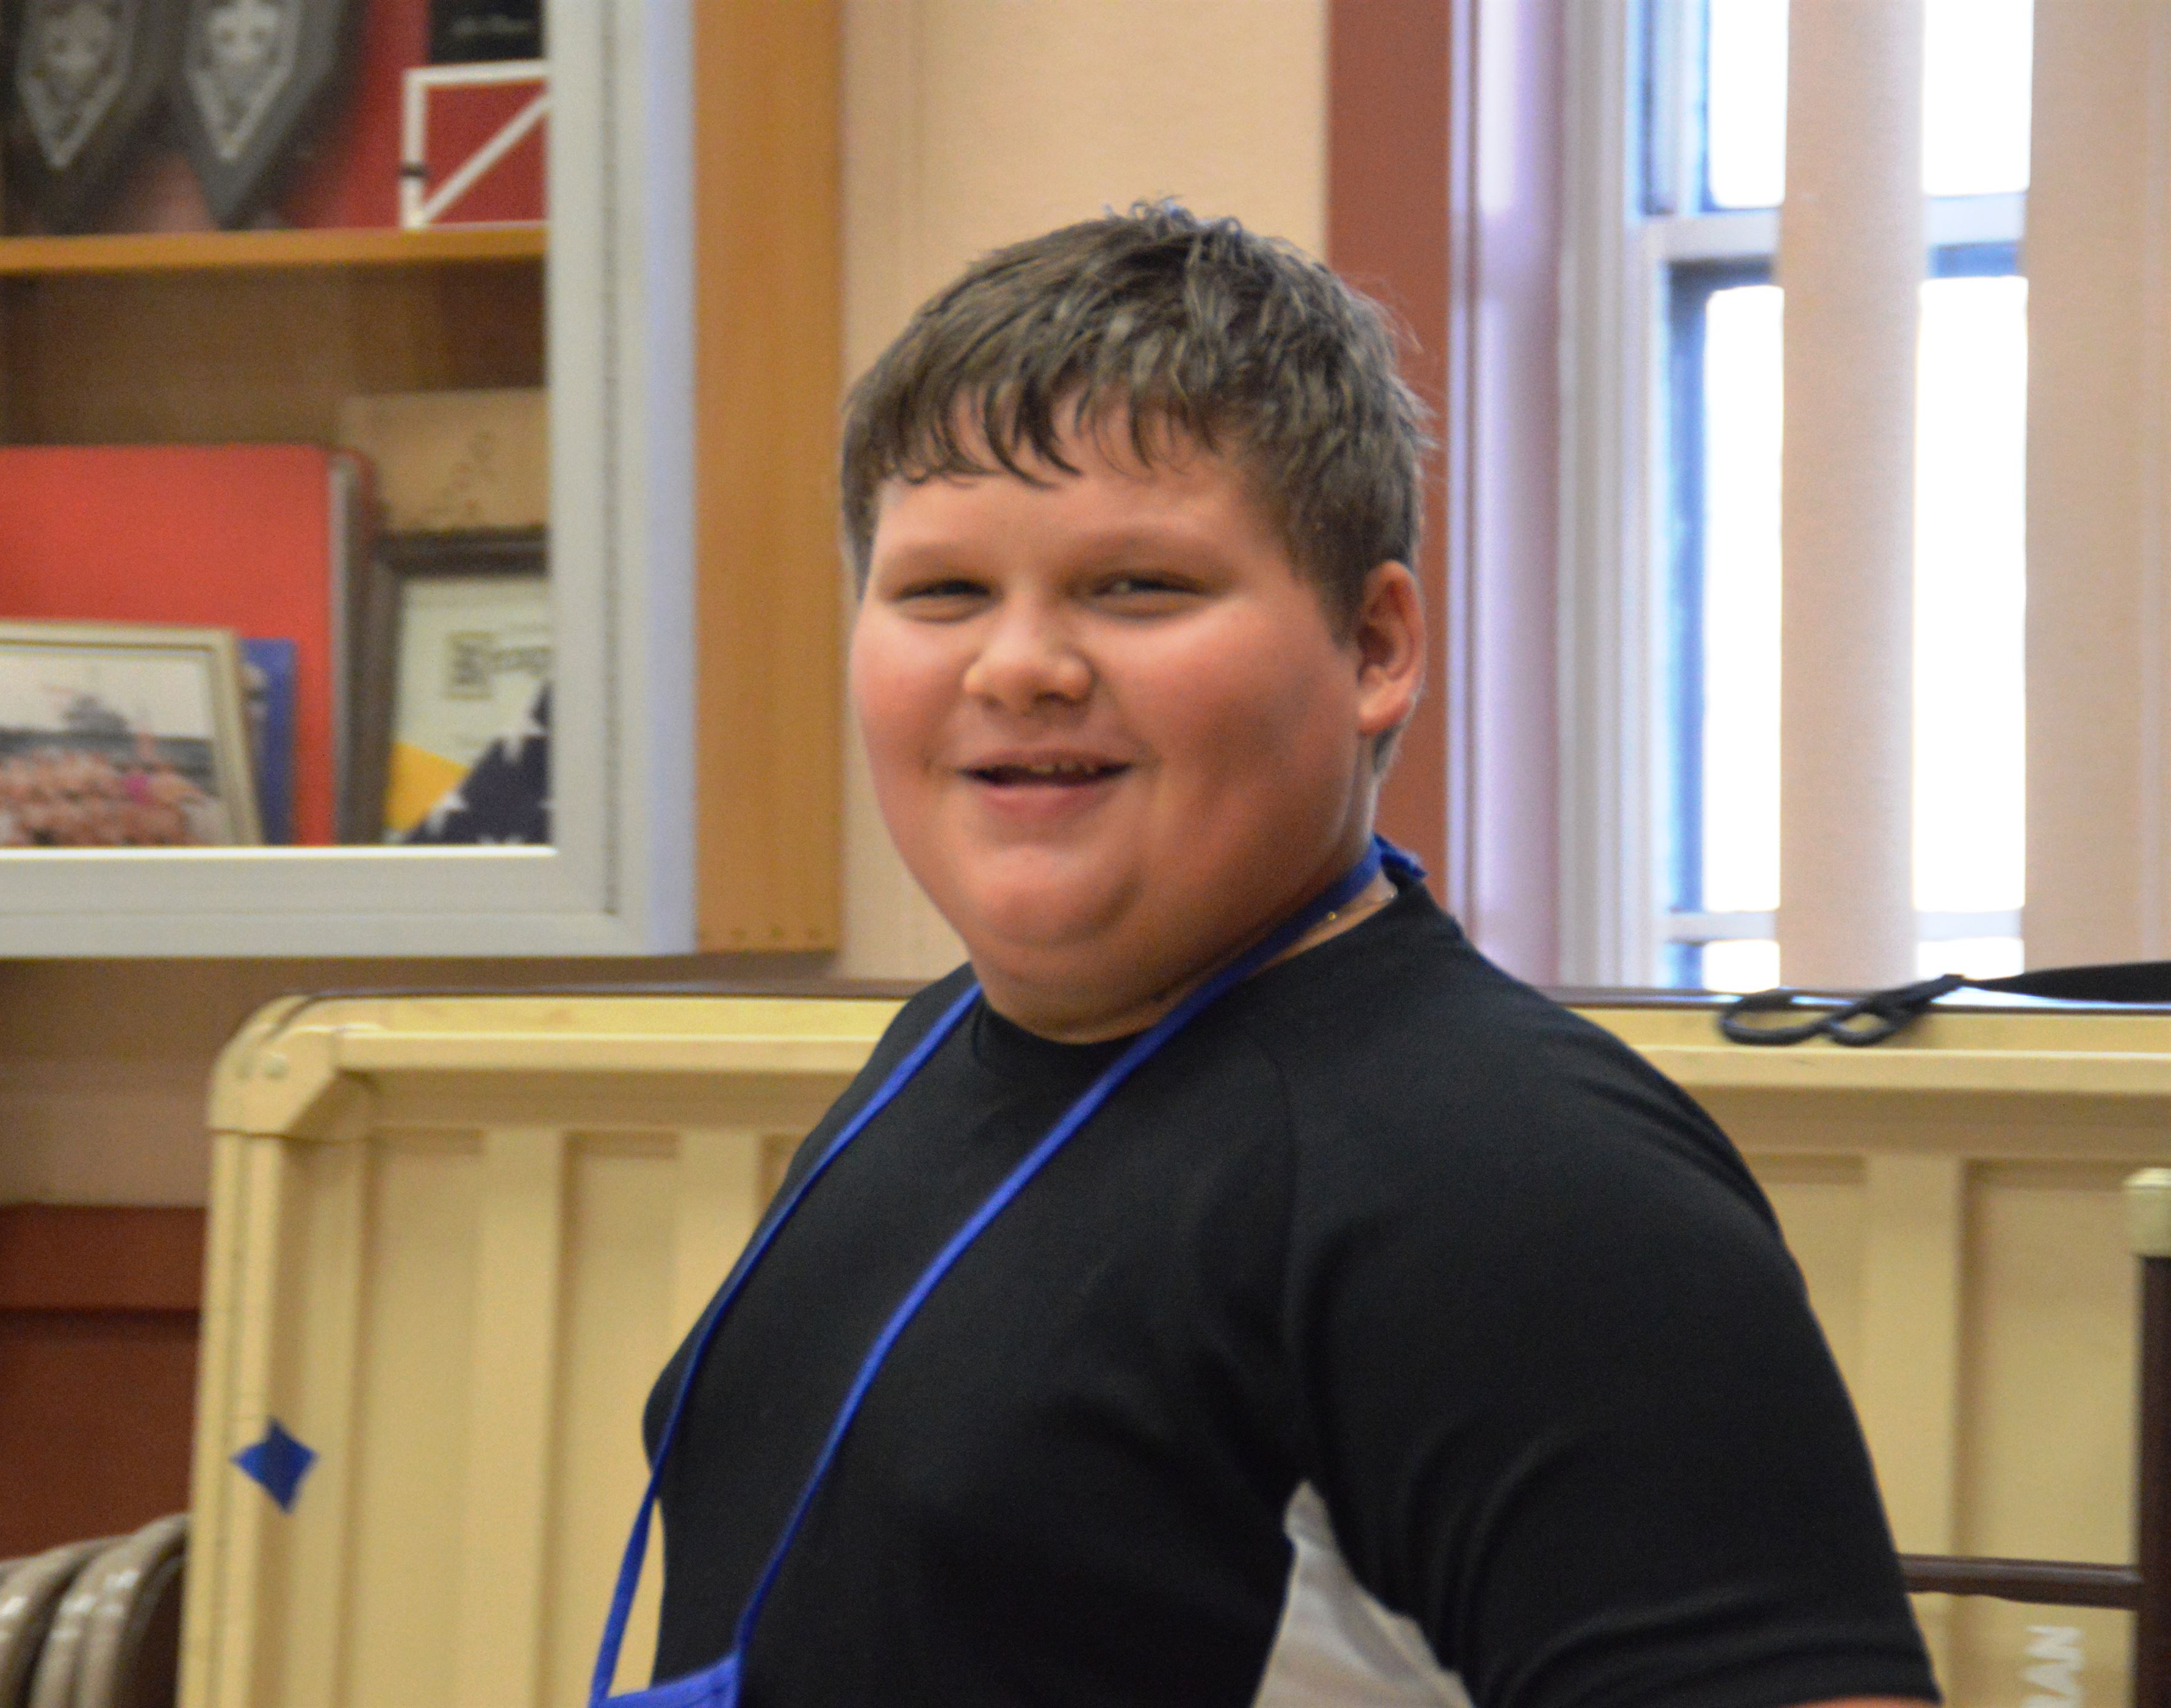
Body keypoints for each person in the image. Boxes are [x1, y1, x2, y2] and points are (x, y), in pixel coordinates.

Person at [605, 206, 1939, 1708]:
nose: (1018, 664)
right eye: (943, 592)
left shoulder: (1520, 1182)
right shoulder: (944, 1048)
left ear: (1375, 648)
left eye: (1137, 586)